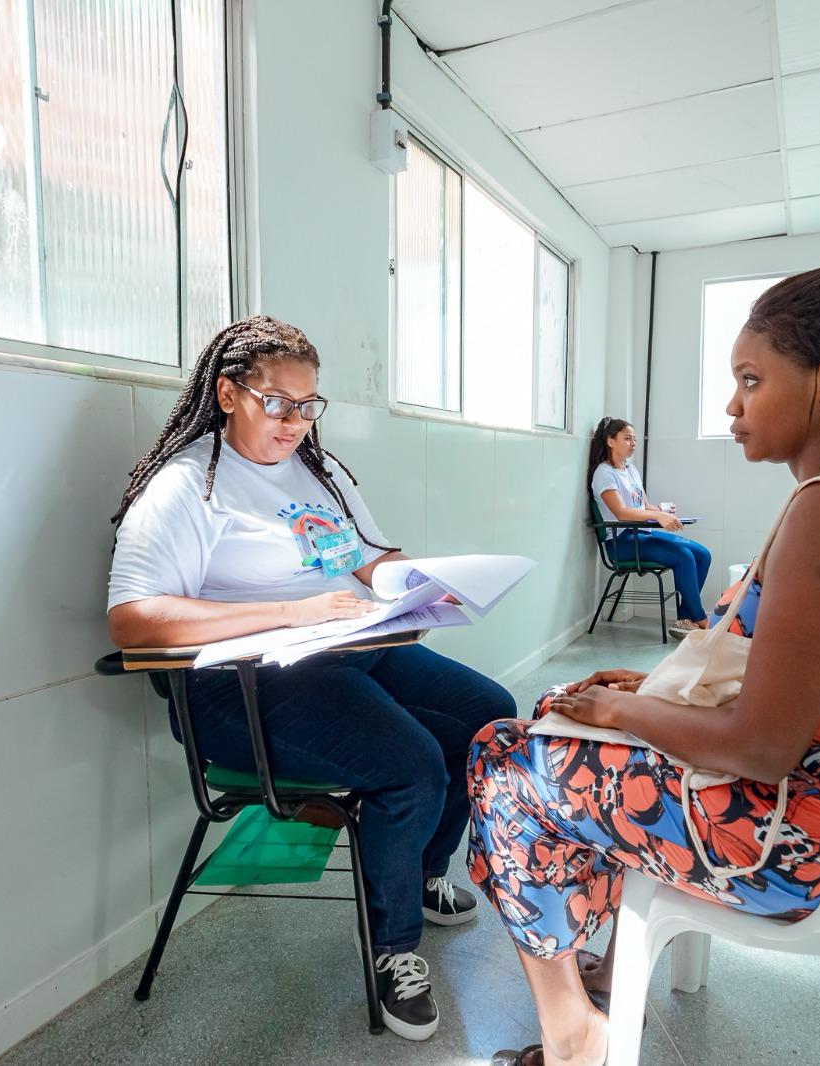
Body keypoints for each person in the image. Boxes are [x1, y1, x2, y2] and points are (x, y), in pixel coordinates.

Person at [470, 258, 820, 1066]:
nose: (732, 405)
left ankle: (574, 1035)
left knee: (505, 757)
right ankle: (615, 963)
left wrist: (626, 712)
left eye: (751, 379)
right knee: (575, 716)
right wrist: (648, 695)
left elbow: (761, 747)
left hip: (804, 841)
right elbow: (787, 676)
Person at [106, 315, 514, 1042]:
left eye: (308, 405)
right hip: (247, 683)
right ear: (229, 393)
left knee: (489, 716)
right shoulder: (186, 486)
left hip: (344, 646)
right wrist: (291, 612)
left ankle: (418, 872)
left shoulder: (318, 472)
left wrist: (417, 582)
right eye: (279, 403)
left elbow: (366, 559)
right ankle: (393, 951)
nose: (296, 421)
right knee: (412, 763)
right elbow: (134, 619)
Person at [587, 417, 712, 638]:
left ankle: (684, 619)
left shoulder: (631, 470)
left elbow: (644, 506)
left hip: (641, 535)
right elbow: (622, 513)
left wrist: (663, 512)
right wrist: (657, 515)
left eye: (634, 439)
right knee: (684, 556)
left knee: (702, 554)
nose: (633, 443)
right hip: (621, 542)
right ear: (610, 441)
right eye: (627, 438)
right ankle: (701, 619)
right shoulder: (604, 474)